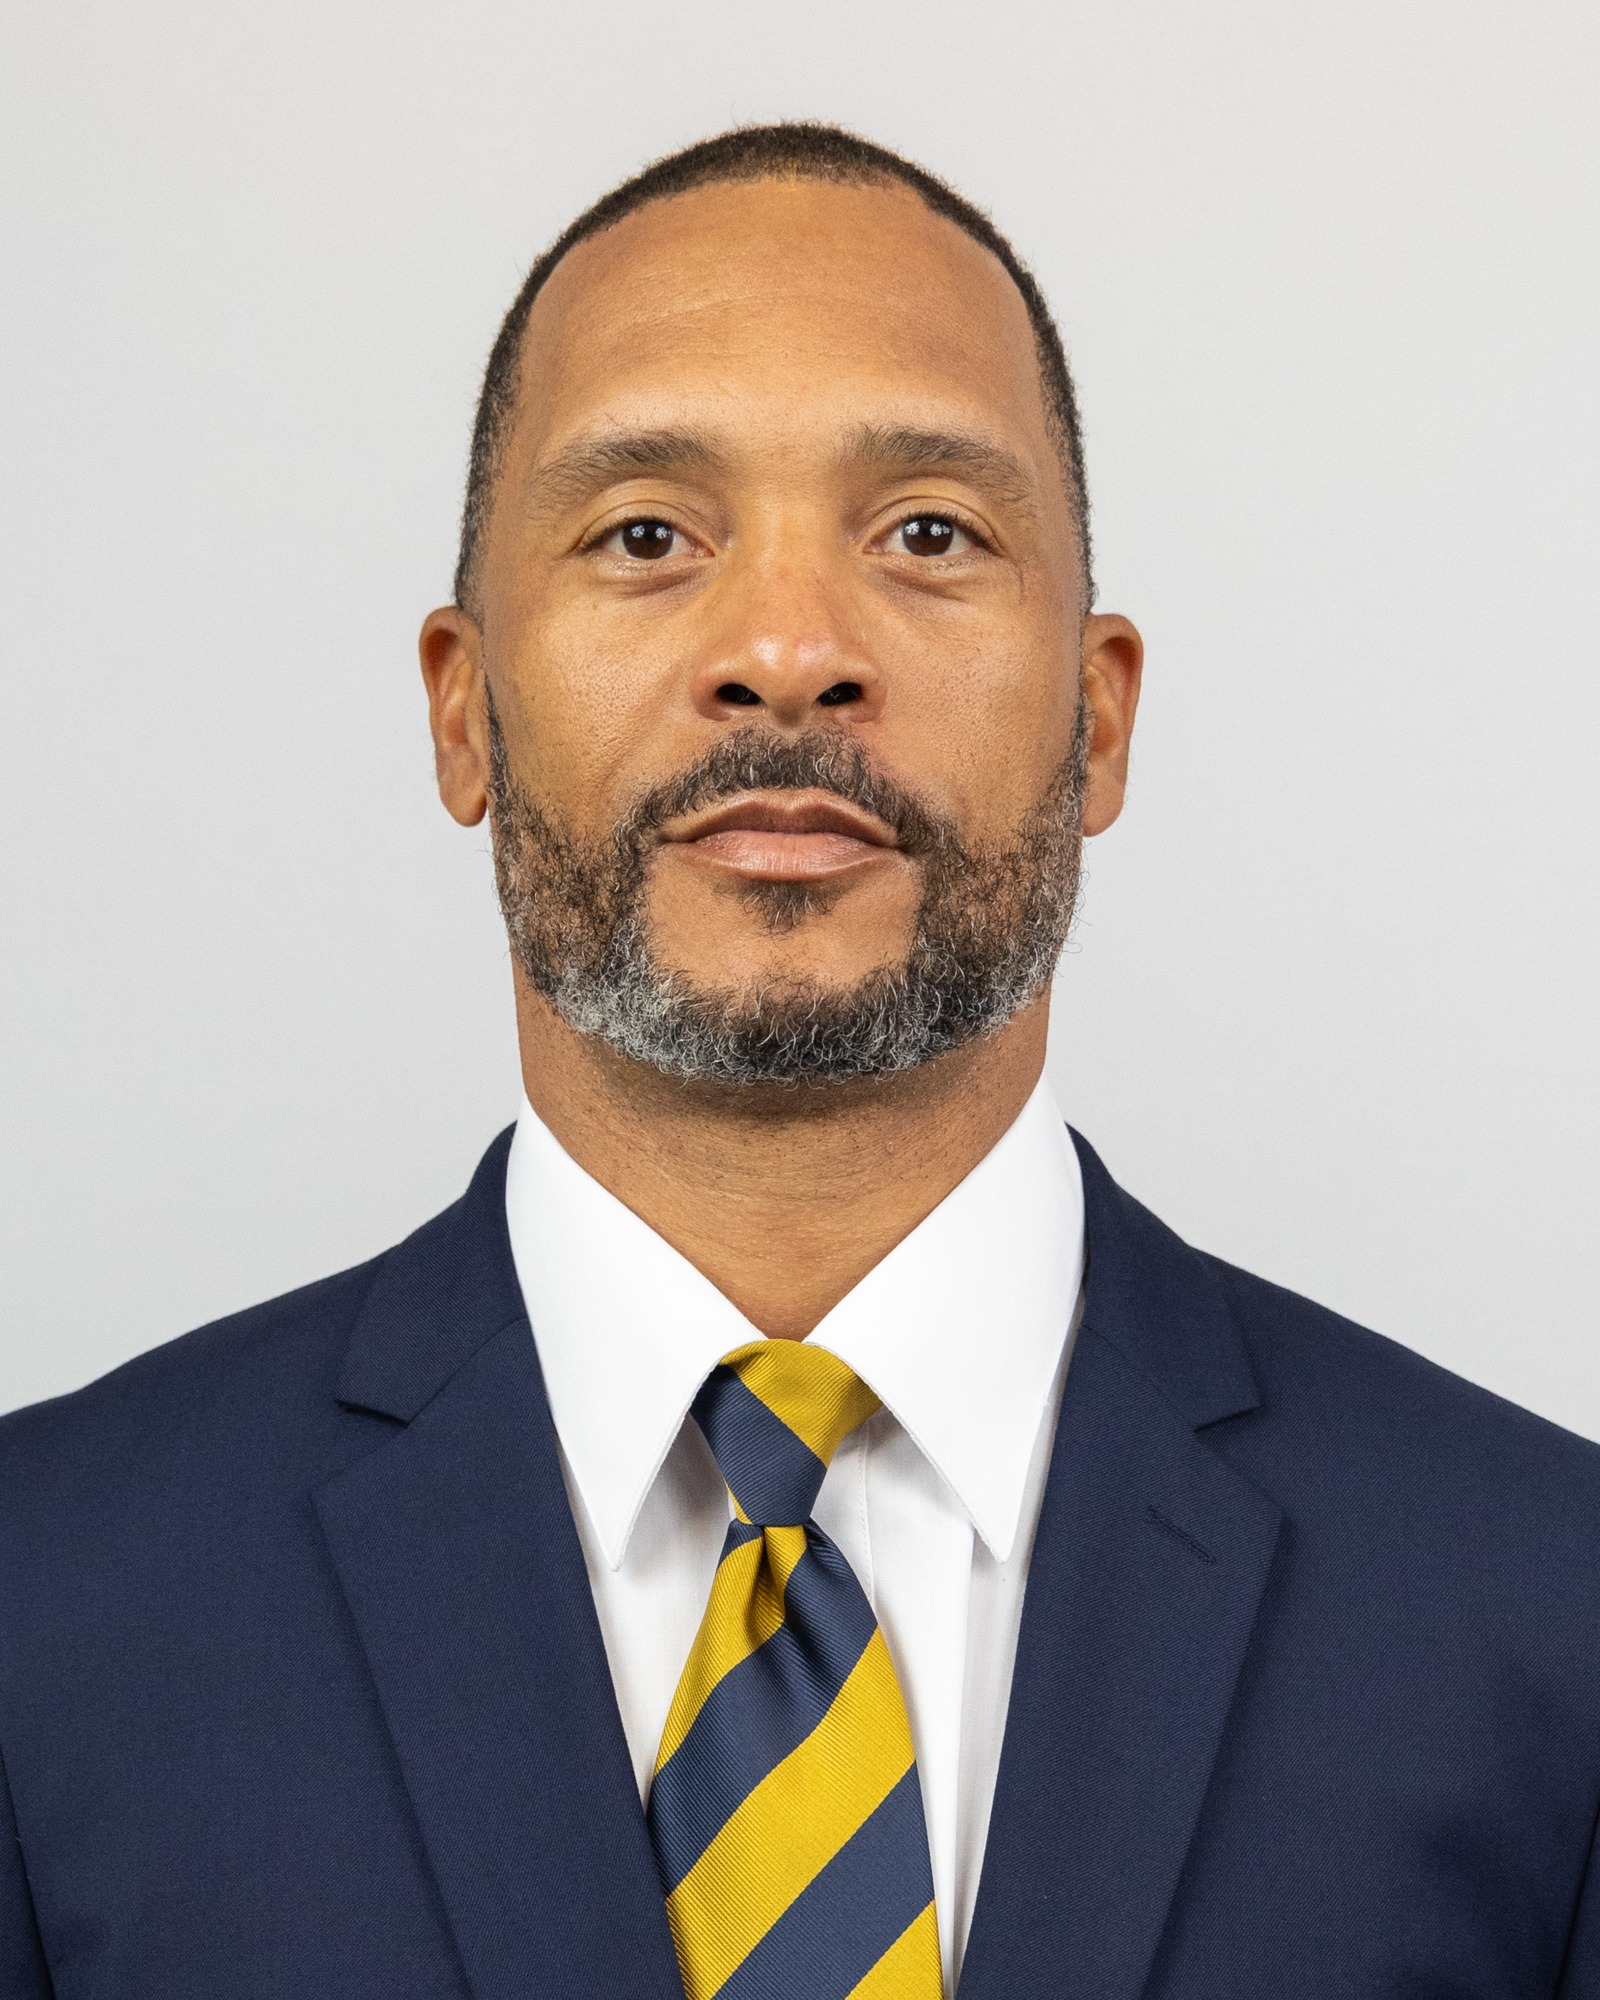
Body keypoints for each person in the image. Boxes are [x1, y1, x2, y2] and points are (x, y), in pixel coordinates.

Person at [1, 121, 1596, 2000]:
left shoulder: (1548, 1615)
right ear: (463, 711)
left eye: (928, 533)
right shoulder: (47, 1607)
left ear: (1097, 723)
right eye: (645, 535)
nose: (784, 650)